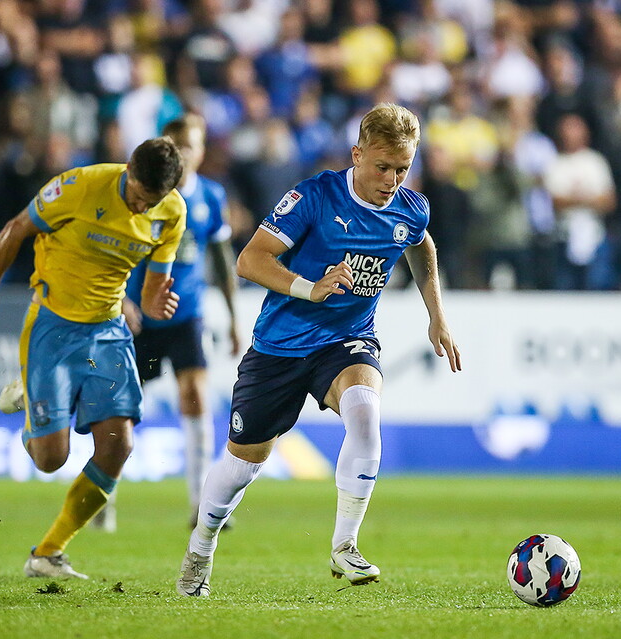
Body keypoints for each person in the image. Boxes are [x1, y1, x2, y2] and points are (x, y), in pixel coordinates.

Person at [176, 102, 461, 597]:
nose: (392, 178)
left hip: (345, 342)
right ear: (357, 154)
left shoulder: (411, 210)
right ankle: (201, 548)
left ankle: (345, 545)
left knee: (366, 414)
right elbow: (249, 260)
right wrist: (312, 287)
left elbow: (421, 247)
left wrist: (436, 314)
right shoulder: (314, 196)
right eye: (382, 166)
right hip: (280, 347)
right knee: (241, 467)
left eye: (402, 168)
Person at [0, 137, 185, 580]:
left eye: (149, 203)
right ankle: (30, 404)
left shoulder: (172, 212)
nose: (140, 209)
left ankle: (48, 552)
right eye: (136, 197)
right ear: (127, 173)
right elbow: (16, 229)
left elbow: (157, 282)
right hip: (52, 326)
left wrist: (155, 304)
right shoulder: (80, 186)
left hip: (108, 331)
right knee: (50, 458)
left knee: (120, 445)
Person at [103, 114, 239, 531]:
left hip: (188, 314)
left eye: (191, 146)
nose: (184, 154)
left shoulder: (212, 197)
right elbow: (114, 250)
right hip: (141, 317)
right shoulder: (144, 194)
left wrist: (234, 319)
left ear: (201, 151)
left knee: (195, 394)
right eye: (176, 146)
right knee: (122, 410)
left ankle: (202, 502)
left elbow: (221, 259)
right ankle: (101, 496)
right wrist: (124, 299)